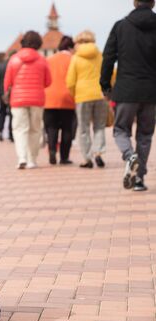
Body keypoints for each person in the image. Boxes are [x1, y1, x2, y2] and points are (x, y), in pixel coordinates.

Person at [101, 0, 156, 191]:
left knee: (120, 130)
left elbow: (108, 57)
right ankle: (139, 179)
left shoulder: (120, 26)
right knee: (145, 134)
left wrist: (105, 85)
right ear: (153, 3)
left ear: (134, 3)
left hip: (126, 90)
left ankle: (129, 155)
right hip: (151, 91)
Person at [4, 31, 52, 169]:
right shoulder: (42, 60)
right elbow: (48, 82)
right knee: (35, 129)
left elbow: (7, 83)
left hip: (18, 100)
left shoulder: (14, 59)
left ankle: (22, 158)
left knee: (20, 129)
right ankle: (32, 160)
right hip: (37, 99)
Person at [66, 30, 108, 169]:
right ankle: (98, 152)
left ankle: (87, 158)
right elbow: (110, 72)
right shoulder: (100, 55)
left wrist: (75, 94)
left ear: (79, 42)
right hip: (99, 95)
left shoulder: (76, 58)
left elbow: (70, 81)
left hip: (82, 96)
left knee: (83, 128)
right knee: (99, 126)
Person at [44, 35, 76, 165]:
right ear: (70, 47)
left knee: (52, 127)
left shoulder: (49, 59)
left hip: (49, 97)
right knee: (67, 129)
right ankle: (64, 157)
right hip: (67, 98)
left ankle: (52, 151)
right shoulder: (73, 60)